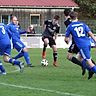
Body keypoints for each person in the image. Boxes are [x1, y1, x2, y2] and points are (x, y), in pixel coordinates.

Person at [65, 11, 96, 79]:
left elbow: (66, 39)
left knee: (89, 62)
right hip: (88, 43)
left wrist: (66, 41)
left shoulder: (70, 26)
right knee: (79, 57)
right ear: (77, 17)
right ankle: (90, 70)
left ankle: (91, 69)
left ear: (70, 18)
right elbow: (90, 34)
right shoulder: (83, 24)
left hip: (82, 45)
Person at [64, 9, 86, 75]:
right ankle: (91, 68)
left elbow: (70, 32)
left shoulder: (67, 22)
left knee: (69, 56)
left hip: (76, 41)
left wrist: (67, 40)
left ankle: (83, 65)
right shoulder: (79, 23)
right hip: (83, 41)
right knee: (83, 57)